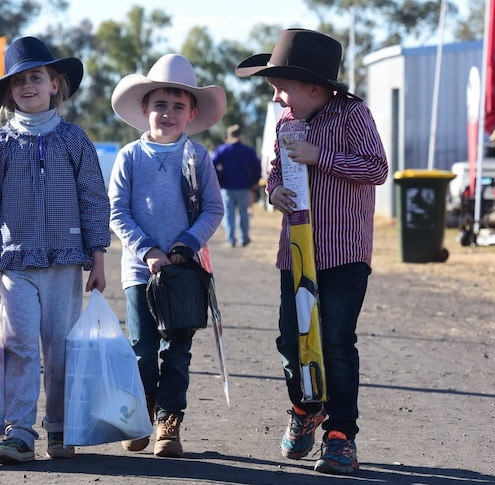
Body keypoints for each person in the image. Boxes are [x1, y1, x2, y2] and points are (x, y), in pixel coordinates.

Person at [236, 28, 389, 475]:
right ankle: (305, 409)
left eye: (283, 89)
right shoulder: (286, 123)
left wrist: (320, 156)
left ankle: (341, 435)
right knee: (292, 339)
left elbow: (376, 168)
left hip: (344, 252)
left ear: (315, 88)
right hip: (295, 252)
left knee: (337, 342)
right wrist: (275, 190)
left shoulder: (352, 115)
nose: (278, 97)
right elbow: (273, 169)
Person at [0, 36, 110, 465]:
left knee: (60, 347)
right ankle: (20, 431)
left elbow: (93, 198)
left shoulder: (74, 139)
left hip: (66, 261)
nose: (27, 86)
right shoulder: (0, 143)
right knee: (21, 346)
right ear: (10, 92)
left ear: (55, 85)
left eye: (36, 77)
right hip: (14, 262)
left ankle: (61, 429)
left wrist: (98, 256)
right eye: (18, 81)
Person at [109, 53, 226, 458]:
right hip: (140, 273)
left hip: (184, 273)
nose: (168, 113)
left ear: (192, 112)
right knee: (141, 347)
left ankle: (168, 422)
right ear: (145, 109)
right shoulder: (130, 156)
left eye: (178, 106)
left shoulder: (198, 157)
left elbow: (214, 208)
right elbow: (117, 211)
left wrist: (183, 246)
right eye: (160, 104)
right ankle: (141, 411)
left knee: (176, 350)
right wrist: (148, 250)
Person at [211, 124, 262, 247]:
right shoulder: (248, 150)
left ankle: (231, 239)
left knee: (229, 214)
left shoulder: (222, 150)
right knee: (243, 213)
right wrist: (255, 181)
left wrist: (218, 178)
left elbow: (211, 165)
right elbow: (257, 166)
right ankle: (244, 238)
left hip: (227, 187)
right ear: (240, 136)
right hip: (244, 187)